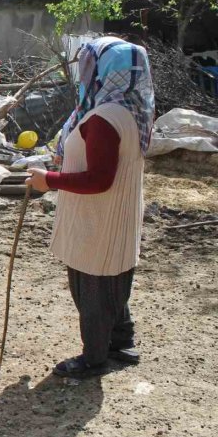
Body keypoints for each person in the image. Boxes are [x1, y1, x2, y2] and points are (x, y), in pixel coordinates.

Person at [26, 36, 155, 379]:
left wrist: (48, 180)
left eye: (88, 65)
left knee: (93, 289)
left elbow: (99, 179)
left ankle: (94, 358)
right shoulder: (134, 107)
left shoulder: (104, 117)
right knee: (113, 279)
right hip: (117, 217)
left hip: (98, 216)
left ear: (103, 70)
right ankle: (121, 342)